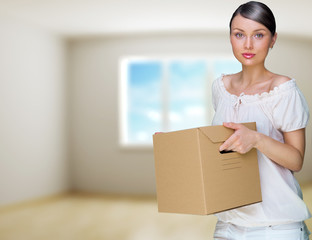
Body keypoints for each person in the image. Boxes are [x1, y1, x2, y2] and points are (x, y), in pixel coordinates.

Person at [212, 1, 311, 239]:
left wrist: (256, 139)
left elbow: (296, 161)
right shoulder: (220, 87)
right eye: (239, 34)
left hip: (276, 227)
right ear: (230, 37)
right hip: (228, 225)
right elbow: (223, 148)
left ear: (273, 39)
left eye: (258, 34)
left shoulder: (283, 89)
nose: (248, 44)